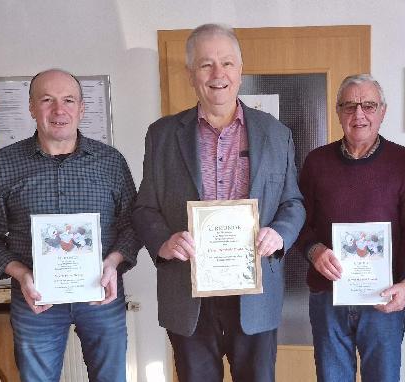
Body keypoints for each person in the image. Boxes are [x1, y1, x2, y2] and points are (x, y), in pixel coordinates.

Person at [132, 23, 305, 382]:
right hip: (188, 292)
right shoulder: (162, 135)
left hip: (255, 293)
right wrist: (164, 241)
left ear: (240, 71)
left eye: (227, 63)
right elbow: (145, 208)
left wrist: (280, 234)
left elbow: (293, 203)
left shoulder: (276, 133)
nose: (218, 74)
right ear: (190, 75)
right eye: (206, 64)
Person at [0, 69, 141, 381]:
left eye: (68, 100)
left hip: (100, 298)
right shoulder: (4, 163)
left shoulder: (110, 161)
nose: (59, 110)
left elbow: (133, 223)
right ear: (31, 107)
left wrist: (114, 262)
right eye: (47, 100)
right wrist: (20, 274)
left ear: (81, 108)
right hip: (35, 300)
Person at [296, 74, 405, 382]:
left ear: (382, 111)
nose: (359, 114)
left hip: (384, 298)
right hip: (329, 296)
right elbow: (299, 222)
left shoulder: (403, 162)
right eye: (349, 106)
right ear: (338, 112)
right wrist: (314, 252)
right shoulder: (316, 162)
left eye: (368, 105)